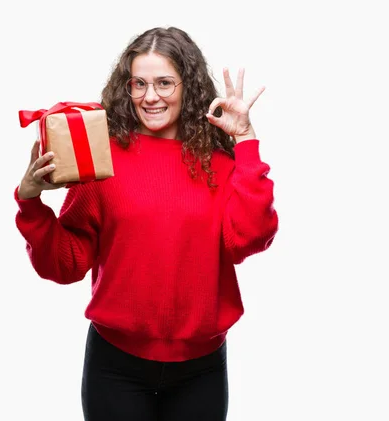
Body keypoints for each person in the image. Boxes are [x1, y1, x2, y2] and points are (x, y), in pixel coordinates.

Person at [14, 26, 278, 421]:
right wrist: (31, 202)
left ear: (188, 87)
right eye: (139, 83)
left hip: (200, 368)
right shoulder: (102, 163)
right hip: (115, 366)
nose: (150, 96)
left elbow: (248, 239)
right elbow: (66, 264)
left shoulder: (219, 166)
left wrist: (245, 140)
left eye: (164, 83)